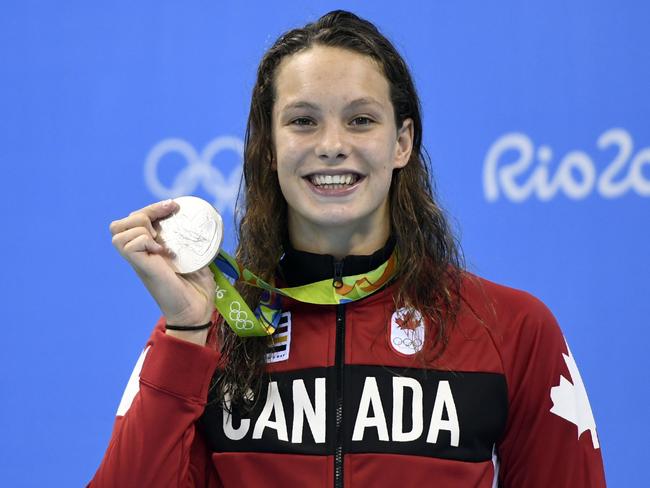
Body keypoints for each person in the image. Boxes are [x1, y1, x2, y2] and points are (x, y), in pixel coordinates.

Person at [90, 10, 606, 487]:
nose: (332, 143)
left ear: (401, 142)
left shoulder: (511, 328)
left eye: (361, 119)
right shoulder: (207, 327)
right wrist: (184, 332)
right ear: (268, 147)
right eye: (303, 121)